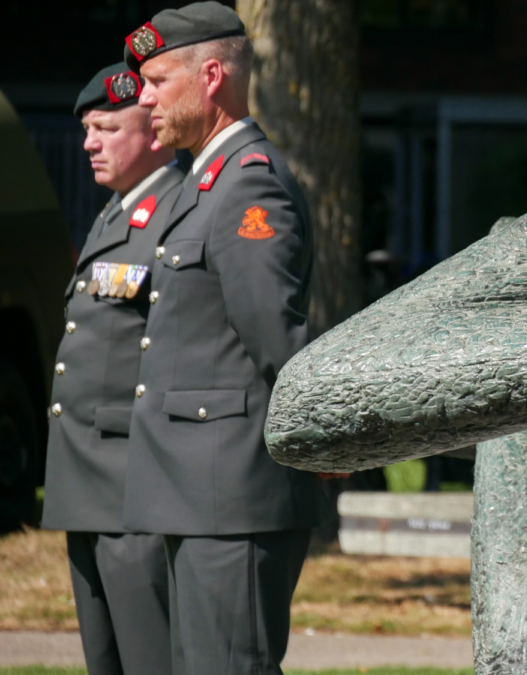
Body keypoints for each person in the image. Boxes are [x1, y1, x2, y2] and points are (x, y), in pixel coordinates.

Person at [119, 3, 331, 672]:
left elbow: (275, 333)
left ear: (211, 76)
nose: (143, 98)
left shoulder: (246, 185)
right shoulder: (204, 185)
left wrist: (322, 434)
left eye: (157, 81)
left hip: (232, 496)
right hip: (197, 492)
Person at [40, 62, 184, 675]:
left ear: (154, 131)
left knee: (148, 658)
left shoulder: (177, 212)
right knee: (106, 661)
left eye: (105, 127)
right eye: (86, 129)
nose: (88, 142)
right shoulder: (116, 213)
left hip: (133, 488)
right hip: (89, 485)